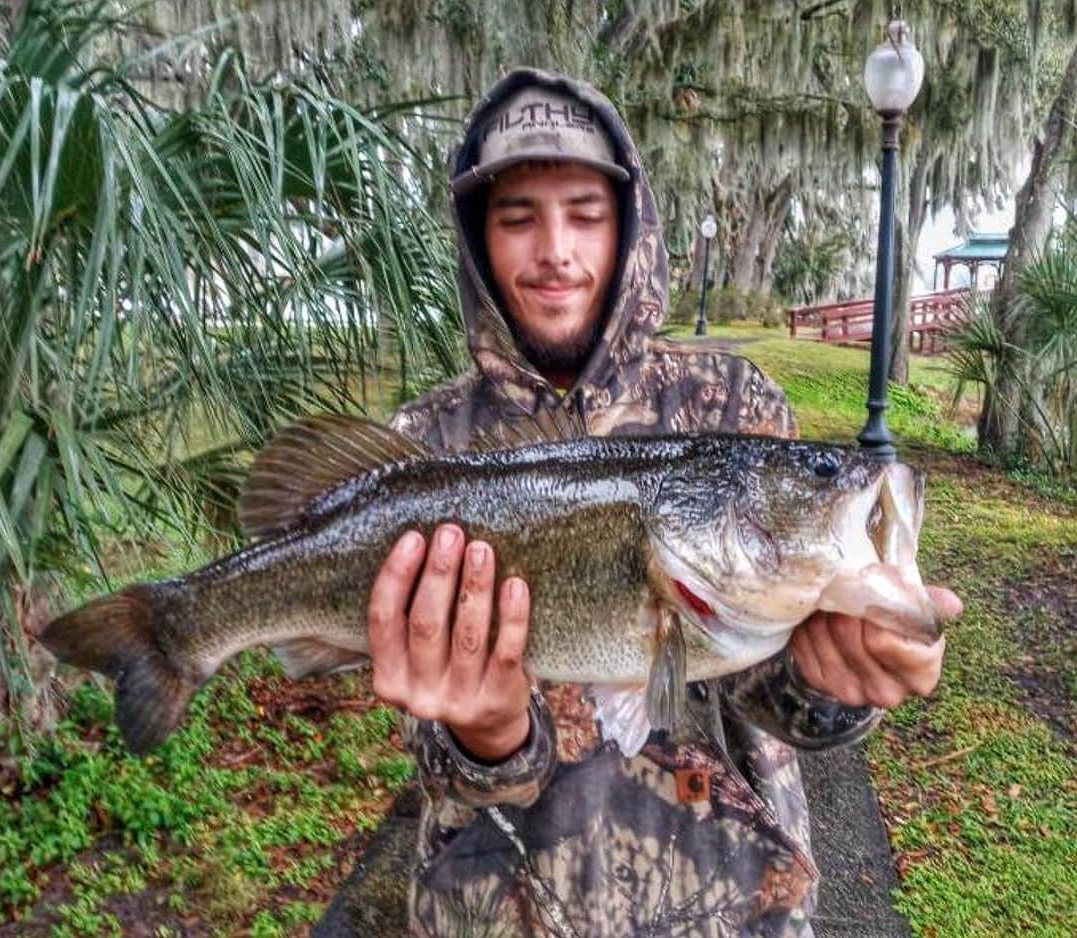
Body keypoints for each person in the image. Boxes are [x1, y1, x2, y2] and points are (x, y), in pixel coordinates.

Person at [367, 68, 958, 937]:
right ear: (476, 238)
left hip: (734, 903)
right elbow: (432, 747)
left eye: (586, 213)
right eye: (517, 217)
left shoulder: (733, 407)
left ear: (631, 228)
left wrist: (839, 681)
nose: (556, 250)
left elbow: (770, 687)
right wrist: (485, 735)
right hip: (498, 910)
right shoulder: (423, 442)